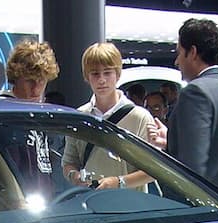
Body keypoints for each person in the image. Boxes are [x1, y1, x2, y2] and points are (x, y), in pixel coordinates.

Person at [167, 18, 218, 197]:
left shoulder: (196, 92)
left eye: (180, 53)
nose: (176, 61)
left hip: (196, 213)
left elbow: (191, 170)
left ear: (193, 52)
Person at [61, 42, 159, 192]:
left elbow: (154, 171)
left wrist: (119, 182)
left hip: (131, 208)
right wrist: (74, 176)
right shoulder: (79, 117)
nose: (101, 80)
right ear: (87, 77)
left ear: (118, 74)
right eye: (95, 74)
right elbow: (68, 162)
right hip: (90, 205)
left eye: (107, 72)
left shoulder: (140, 117)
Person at [0, 40, 62, 199]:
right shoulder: (0, 114)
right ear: (16, 77)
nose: (36, 89)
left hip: (46, 205)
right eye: (30, 81)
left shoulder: (41, 115)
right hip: (13, 206)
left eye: (41, 81)